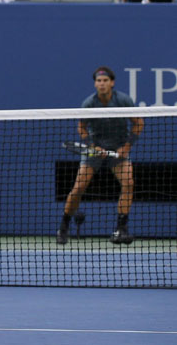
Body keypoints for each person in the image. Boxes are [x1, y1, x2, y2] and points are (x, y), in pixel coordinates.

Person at [58, 67, 143, 245]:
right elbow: (81, 127)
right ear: (95, 83)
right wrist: (92, 146)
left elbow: (138, 123)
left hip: (118, 149)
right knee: (79, 187)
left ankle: (121, 229)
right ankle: (64, 227)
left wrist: (126, 147)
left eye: (105, 81)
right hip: (94, 150)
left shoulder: (123, 100)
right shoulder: (89, 103)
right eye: (98, 81)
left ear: (112, 83)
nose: (102, 84)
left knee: (129, 183)